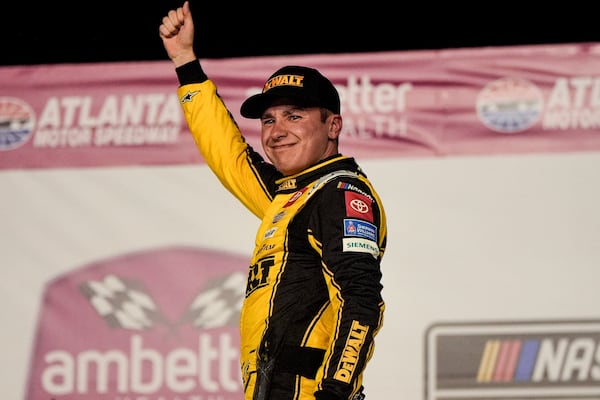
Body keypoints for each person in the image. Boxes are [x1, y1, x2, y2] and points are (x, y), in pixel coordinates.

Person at [159, 2, 387, 400]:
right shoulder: (290, 196)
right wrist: (185, 63)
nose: (276, 131)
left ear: (333, 125)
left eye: (294, 116)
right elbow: (230, 155)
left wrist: (334, 392)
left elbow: (362, 300)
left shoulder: (340, 194)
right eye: (268, 120)